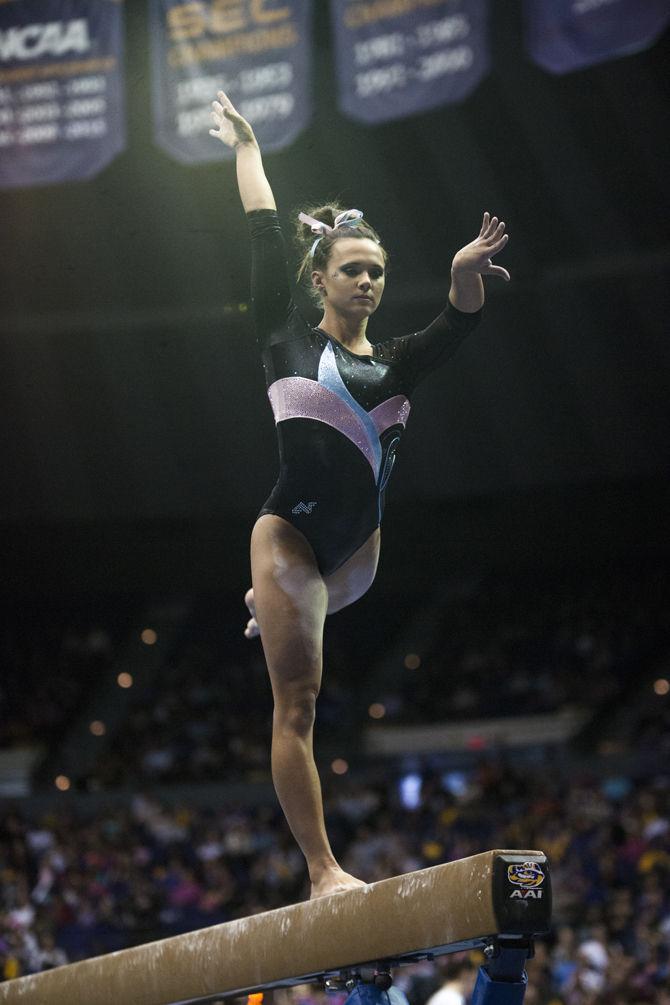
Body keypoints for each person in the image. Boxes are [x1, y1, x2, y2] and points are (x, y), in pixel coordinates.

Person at [209, 91, 510, 899]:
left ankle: (269, 604)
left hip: (359, 559)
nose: (369, 281)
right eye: (354, 269)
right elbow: (264, 224)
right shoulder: (283, 334)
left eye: (378, 271)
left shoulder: (398, 362)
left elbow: (460, 324)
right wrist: (246, 147)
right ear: (320, 279)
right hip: (293, 542)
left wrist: (461, 276)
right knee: (298, 701)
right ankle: (321, 869)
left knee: (307, 618)